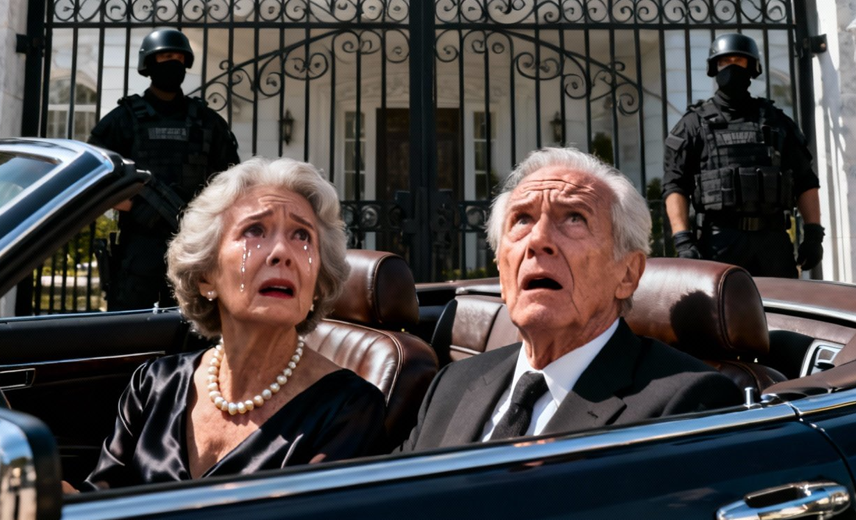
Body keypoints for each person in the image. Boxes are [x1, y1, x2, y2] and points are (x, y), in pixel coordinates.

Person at [398, 148, 742, 451]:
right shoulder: (451, 384)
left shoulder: (688, 403)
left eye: (574, 218)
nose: (538, 240)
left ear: (627, 274)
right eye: (522, 219)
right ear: (503, 274)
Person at [80, 157, 386, 488]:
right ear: (206, 277)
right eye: (255, 230)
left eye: (302, 235)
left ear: (316, 281)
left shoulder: (349, 409)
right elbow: (97, 501)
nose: (282, 252)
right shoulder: (154, 385)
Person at [89, 29, 240, 310]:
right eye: (166, 57)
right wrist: (130, 205)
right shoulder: (123, 119)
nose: (173, 63)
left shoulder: (207, 122)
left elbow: (232, 181)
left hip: (193, 242)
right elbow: (93, 174)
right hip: (140, 243)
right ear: (149, 64)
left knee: (190, 328)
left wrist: (206, 214)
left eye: (179, 57)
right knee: (130, 329)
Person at [663, 33, 823, 278]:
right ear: (714, 68)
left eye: (739, 60)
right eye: (725, 62)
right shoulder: (693, 125)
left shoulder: (776, 121)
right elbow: (675, 184)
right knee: (718, 314)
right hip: (719, 240)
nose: (732, 67)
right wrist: (683, 240)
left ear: (753, 67)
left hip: (772, 241)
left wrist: (813, 234)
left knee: (782, 311)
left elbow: (805, 181)